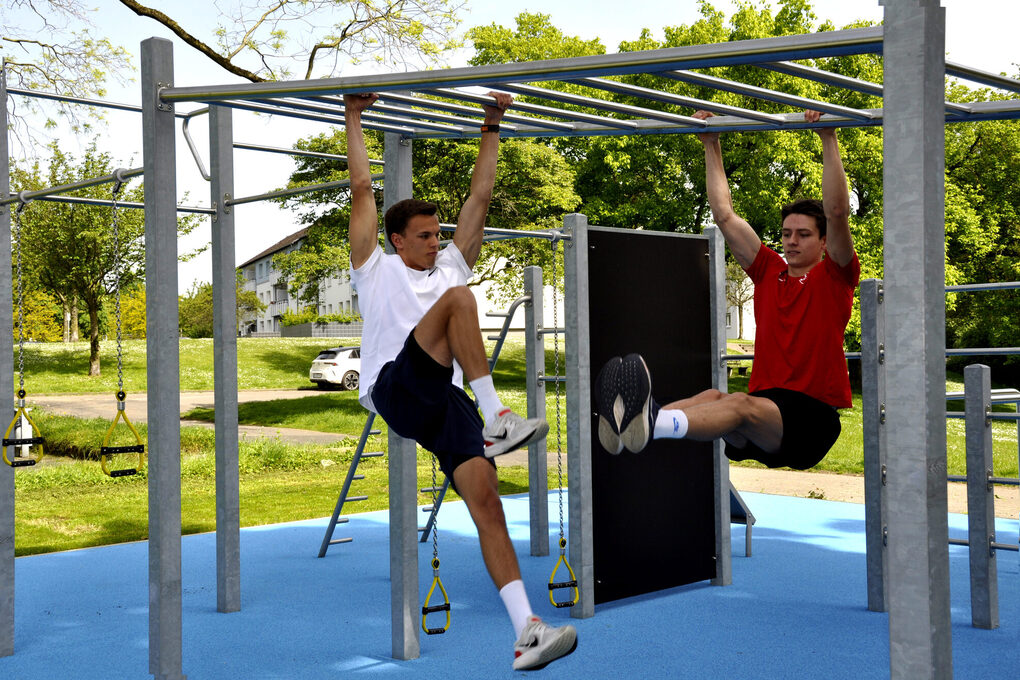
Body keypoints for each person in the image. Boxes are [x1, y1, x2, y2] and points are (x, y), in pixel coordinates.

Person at [344, 91, 577, 671]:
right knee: (457, 301)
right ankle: (498, 416)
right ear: (397, 241)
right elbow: (362, 192)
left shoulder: (448, 266)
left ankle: (527, 629)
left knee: (487, 500)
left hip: (441, 400)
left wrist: (492, 124)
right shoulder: (375, 268)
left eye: (436, 233)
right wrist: (353, 116)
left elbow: (480, 196)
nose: (434, 240)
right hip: (393, 387)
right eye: (423, 235)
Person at [596, 109, 860, 472]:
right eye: (786, 234)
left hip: (809, 418)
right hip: (766, 408)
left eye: (803, 234)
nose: (792, 241)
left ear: (824, 241)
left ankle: (652, 424)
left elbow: (837, 210)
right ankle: (636, 425)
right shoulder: (770, 272)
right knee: (714, 397)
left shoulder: (835, 276)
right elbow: (724, 215)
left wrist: (828, 138)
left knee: (736, 404)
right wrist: (711, 142)